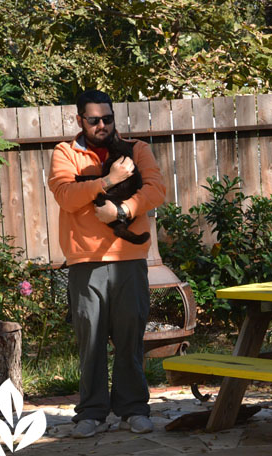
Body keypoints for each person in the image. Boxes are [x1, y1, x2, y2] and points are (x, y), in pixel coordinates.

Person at [48, 90, 167, 438]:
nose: (102, 125)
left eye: (108, 119)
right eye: (94, 120)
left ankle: (133, 408)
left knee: (131, 336)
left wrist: (123, 209)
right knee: (91, 338)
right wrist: (109, 181)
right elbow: (66, 196)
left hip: (129, 258)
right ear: (80, 121)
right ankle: (92, 412)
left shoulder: (137, 149)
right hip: (86, 259)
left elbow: (156, 189)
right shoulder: (65, 153)